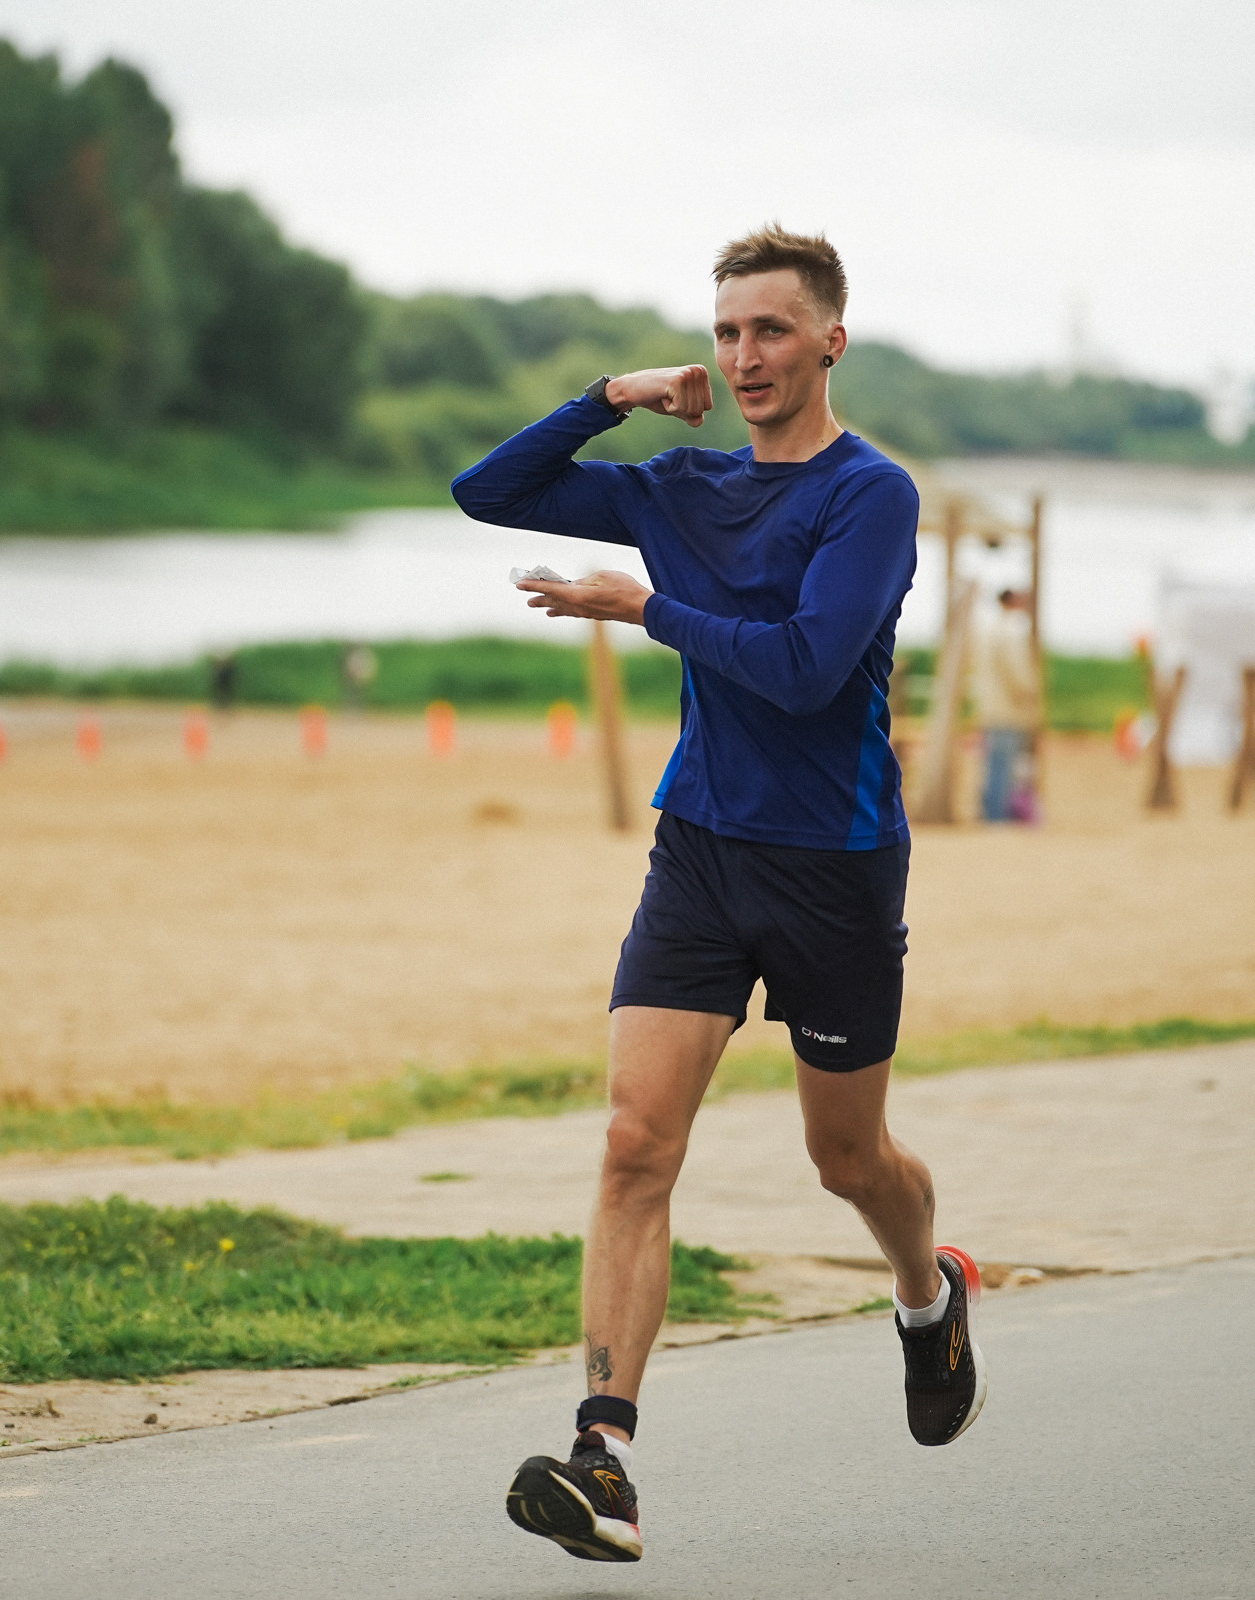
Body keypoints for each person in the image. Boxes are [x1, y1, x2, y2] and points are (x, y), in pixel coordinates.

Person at [452, 226, 985, 1566]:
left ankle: (930, 1294)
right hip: (699, 849)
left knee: (845, 1160)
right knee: (637, 1141)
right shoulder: (681, 484)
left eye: (773, 331)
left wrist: (648, 612)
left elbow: (808, 666)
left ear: (829, 342)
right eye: (728, 332)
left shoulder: (872, 496)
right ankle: (606, 1457)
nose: (746, 356)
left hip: (834, 867)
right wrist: (617, 397)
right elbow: (485, 487)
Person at [973, 587, 1043, 823]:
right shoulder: (1013, 629)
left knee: (993, 763)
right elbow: (1018, 670)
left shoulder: (990, 627)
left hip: (991, 704)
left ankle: (990, 811)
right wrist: (1030, 691)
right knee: (1004, 765)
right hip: (1009, 707)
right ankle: (997, 815)